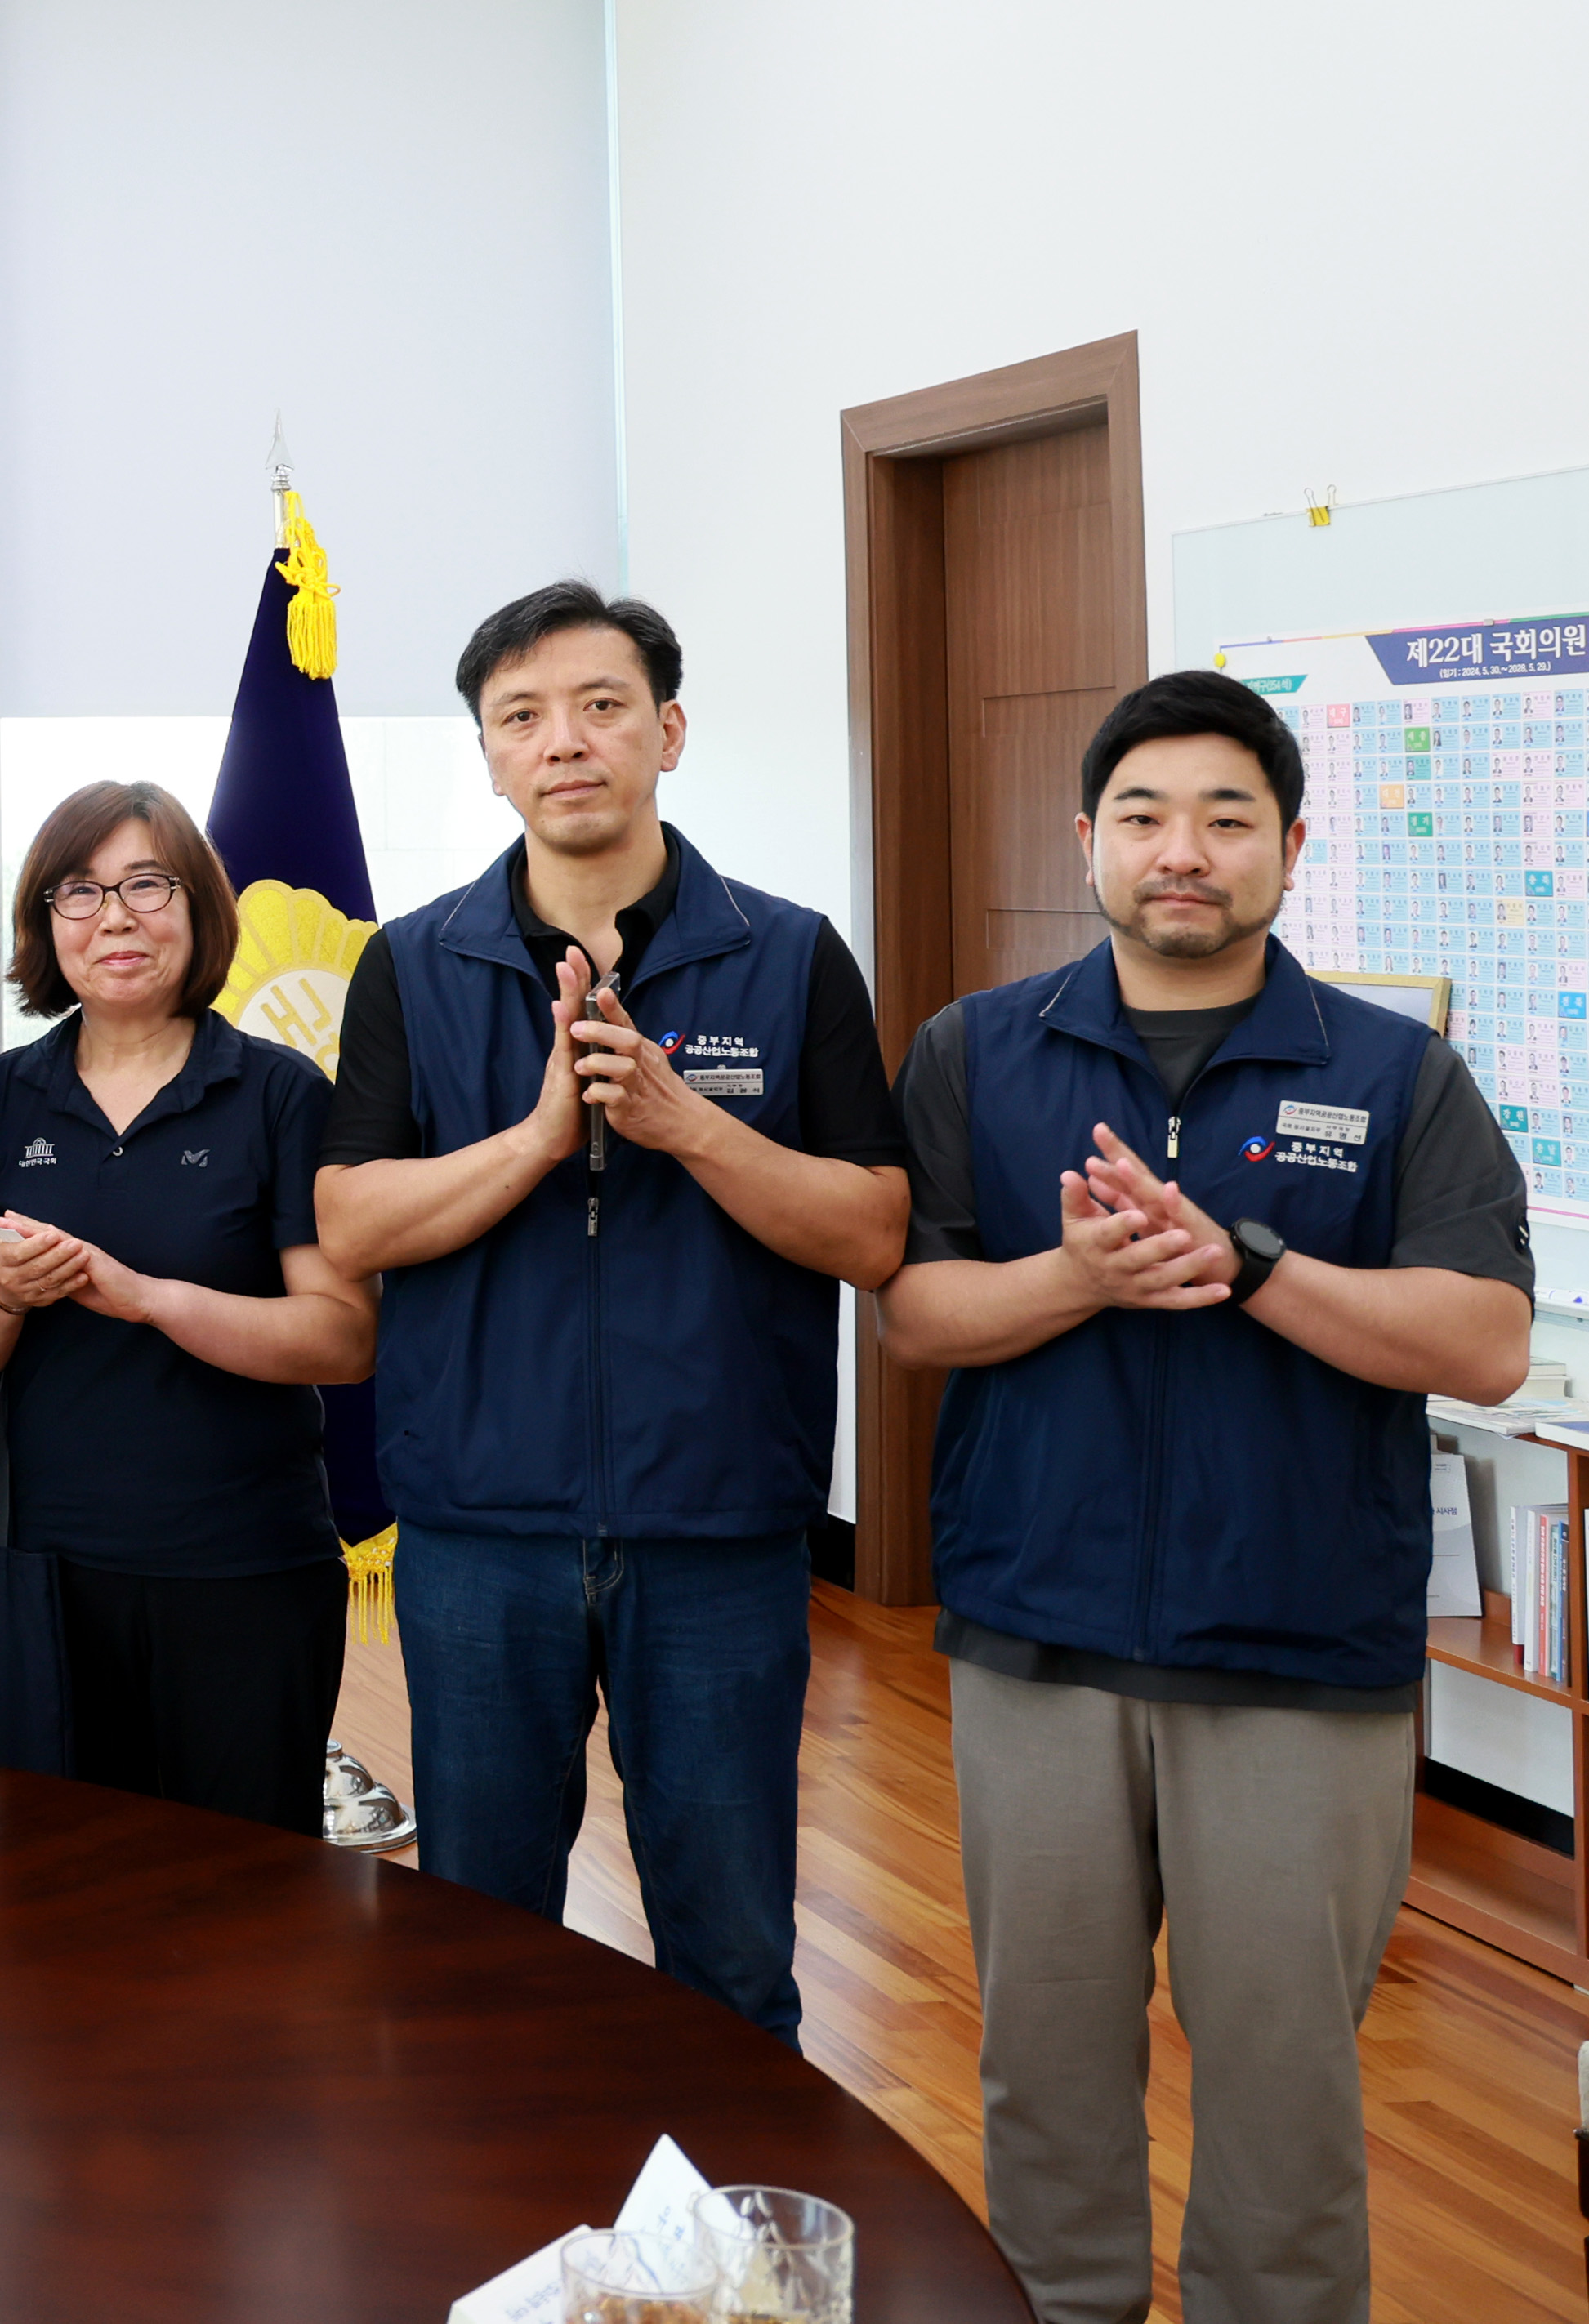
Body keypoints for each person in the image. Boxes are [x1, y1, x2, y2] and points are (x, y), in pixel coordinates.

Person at [877, 671, 1529, 2324]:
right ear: (1082, 838)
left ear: (1287, 849)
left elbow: (1481, 1342)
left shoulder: (1391, 1074)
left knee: (1283, 2100)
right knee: (1039, 2068)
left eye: (1225, 818)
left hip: (1298, 1657)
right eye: (1144, 817)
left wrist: (1241, 1263)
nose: (1182, 852)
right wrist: (1083, 1276)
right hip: (1036, 1637)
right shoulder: (973, 1049)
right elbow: (913, 1317)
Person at [311, 582, 909, 2041]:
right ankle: (500, 2253)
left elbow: (874, 1231)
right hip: (476, 1530)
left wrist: (680, 1121)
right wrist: (528, 1141)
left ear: (667, 731)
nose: (562, 742)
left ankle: (719, 2267)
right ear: (488, 758)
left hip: (715, 1528)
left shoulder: (789, 954)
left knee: (728, 1951)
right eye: (521, 717)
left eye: (598, 707)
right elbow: (350, 1222)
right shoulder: (413, 962)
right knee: (481, 1942)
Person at [0, 783, 371, 1824]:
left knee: (241, 1892)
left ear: (198, 907)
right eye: (76, 891)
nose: (113, 916)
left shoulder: (277, 1091)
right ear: (43, 924)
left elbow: (343, 1338)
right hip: (45, 1566)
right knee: (51, 1891)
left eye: (144, 884)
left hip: (244, 1564)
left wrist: (149, 1298)